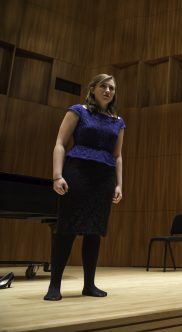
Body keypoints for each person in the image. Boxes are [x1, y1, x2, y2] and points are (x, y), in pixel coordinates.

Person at [44, 74, 125, 301]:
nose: (108, 91)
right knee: (66, 229)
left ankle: (89, 285)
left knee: (94, 231)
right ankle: (54, 286)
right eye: (104, 86)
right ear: (93, 88)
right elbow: (60, 143)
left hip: (104, 178)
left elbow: (117, 156)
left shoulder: (118, 121)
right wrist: (57, 176)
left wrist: (119, 184)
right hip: (77, 172)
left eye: (112, 87)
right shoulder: (78, 110)